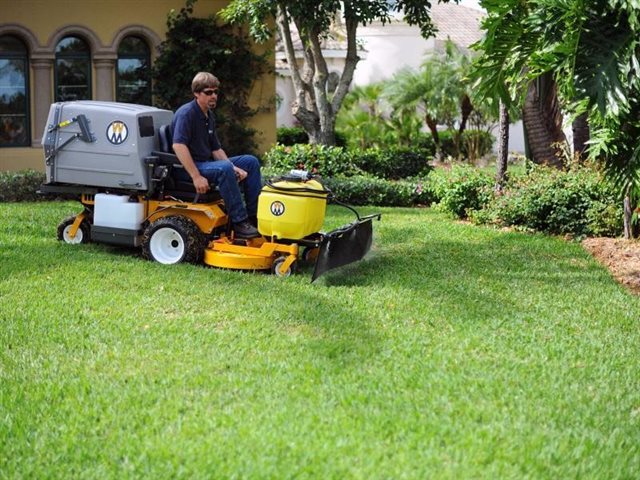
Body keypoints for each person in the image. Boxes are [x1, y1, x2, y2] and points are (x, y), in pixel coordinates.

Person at [171, 72, 261, 238]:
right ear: (196, 93)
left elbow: (216, 150)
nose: (213, 96)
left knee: (250, 162)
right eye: (208, 92)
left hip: (207, 163)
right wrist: (196, 176)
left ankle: (254, 217)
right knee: (224, 168)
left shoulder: (208, 115)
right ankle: (239, 223)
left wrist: (235, 168)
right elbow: (178, 145)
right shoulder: (186, 114)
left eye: (215, 92)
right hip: (188, 168)